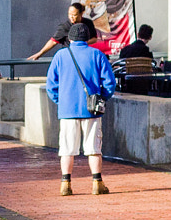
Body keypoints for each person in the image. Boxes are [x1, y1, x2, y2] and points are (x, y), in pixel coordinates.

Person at [46, 24, 119, 196]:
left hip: (67, 110)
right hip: (91, 110)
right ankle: (97, 183)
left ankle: (66, 184)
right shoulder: (97, 55)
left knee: (66, 149)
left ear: (70, 39)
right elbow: (110, 83)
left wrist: (60, 100)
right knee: (94, 147)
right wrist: (102, 98)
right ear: (87, 39)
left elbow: (51, 85)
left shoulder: (60, 56)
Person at [33, 2, 97, 59]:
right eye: (69, 14)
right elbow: (53, 41)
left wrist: (80, 44)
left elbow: (94, 39)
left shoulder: (88, 23)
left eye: (74, 15)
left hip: (83, 56)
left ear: (81, 14)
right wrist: (40, 53)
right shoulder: (65, 27)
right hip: (69, 56)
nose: (71, 17)